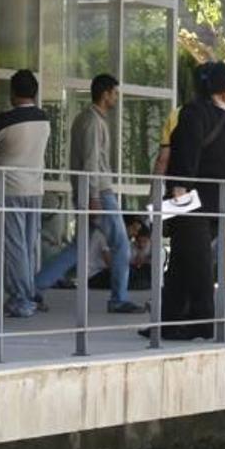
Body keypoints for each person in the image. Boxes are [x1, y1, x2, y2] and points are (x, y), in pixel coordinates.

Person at [151, 62, 225, 340]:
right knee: (181, 261)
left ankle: (202, 323)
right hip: (224, 205)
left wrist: (179, 186)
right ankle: (168, 322)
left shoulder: (192, 114)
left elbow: (186, 153)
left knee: (197, 263)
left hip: (192, 201)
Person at [33, 74, 145, 314]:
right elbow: (92, 162)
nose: (116, 97)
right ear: (105, 94)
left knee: (78, 247)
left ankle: (35, 288)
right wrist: (94, 197)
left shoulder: (84, 119)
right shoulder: (93, 122)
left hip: (87, 190)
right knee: (121, 244)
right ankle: (118, 298)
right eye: (114, 93)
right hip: (99, 192)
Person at [0, 70, 51, 318]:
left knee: (15, 246)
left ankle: (22, 299)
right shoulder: (44, 119)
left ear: (12, 93)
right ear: (35, 93)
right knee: (27, 246)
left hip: (11, 188)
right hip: (35, 189)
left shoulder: (6, 121)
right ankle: (28, 292)